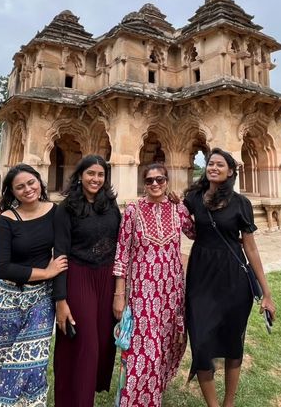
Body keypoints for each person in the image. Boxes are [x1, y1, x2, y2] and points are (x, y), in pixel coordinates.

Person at [183, 148, 276, 407]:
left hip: (233, 278)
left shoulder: (240, 203)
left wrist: (266, 293)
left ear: (231, 171)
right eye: (210, 163)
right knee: (200, 342)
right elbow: (176, 218)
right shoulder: (193, 198)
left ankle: (228, 403)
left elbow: (251, 247)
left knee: (233, 342)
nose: (213, 167)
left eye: (219, 165)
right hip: (201, 276)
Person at [0, 164, 68, 406]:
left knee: (30, 362)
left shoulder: (55, 212)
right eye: (20, 187)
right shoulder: (7, 220)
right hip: (5, 302)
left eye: (31, 183)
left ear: (40, 181)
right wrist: (46, 271)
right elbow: (1, 268)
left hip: (39, 300)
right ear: (12, 192)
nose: (28, 189)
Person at [113, 163, 195, 407]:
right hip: (142, 292)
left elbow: (196, 232)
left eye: (160, 179)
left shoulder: (178, 209)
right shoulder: (133, 210)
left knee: (168, 343)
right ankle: (135, 400)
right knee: (142, 347)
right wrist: (119, 293)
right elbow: (122, 253)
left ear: (167, 181)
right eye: (149, 181)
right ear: (144, 184)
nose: (155, 184)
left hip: (172, 292)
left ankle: (155, 391)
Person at [53, 155, 121, 407]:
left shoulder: (110, 205)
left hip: (106, 277)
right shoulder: (67, 208)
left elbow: (121, 244)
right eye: (90, 173)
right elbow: (59, 254)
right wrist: (60, 300)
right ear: (80, 175)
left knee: (104, 341)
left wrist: (120, 289)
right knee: (86, 344)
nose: (95, 179)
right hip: (79, 276)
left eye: (100, 174)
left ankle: (88, 390)